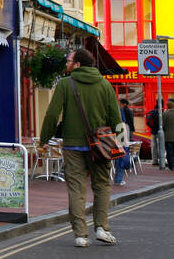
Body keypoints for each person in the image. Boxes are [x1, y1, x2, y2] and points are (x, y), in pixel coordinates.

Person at [38, 48, 122, 248]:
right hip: (101, 146)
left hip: (73, 145)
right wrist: (118, 143)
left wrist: (44, 139)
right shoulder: (105, 84)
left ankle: (81, 235)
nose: (66, 64)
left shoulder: (66, 84)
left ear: (77, 64)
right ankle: (102, 228)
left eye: (68, 61)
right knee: (101, 186)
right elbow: (115, 117)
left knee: (76, 188)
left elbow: (52, 114)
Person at [163, 97, 174, 171]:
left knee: (170, 152)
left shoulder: (165, 114)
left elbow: (162, 126)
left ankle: (171, 166)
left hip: (168, 137)